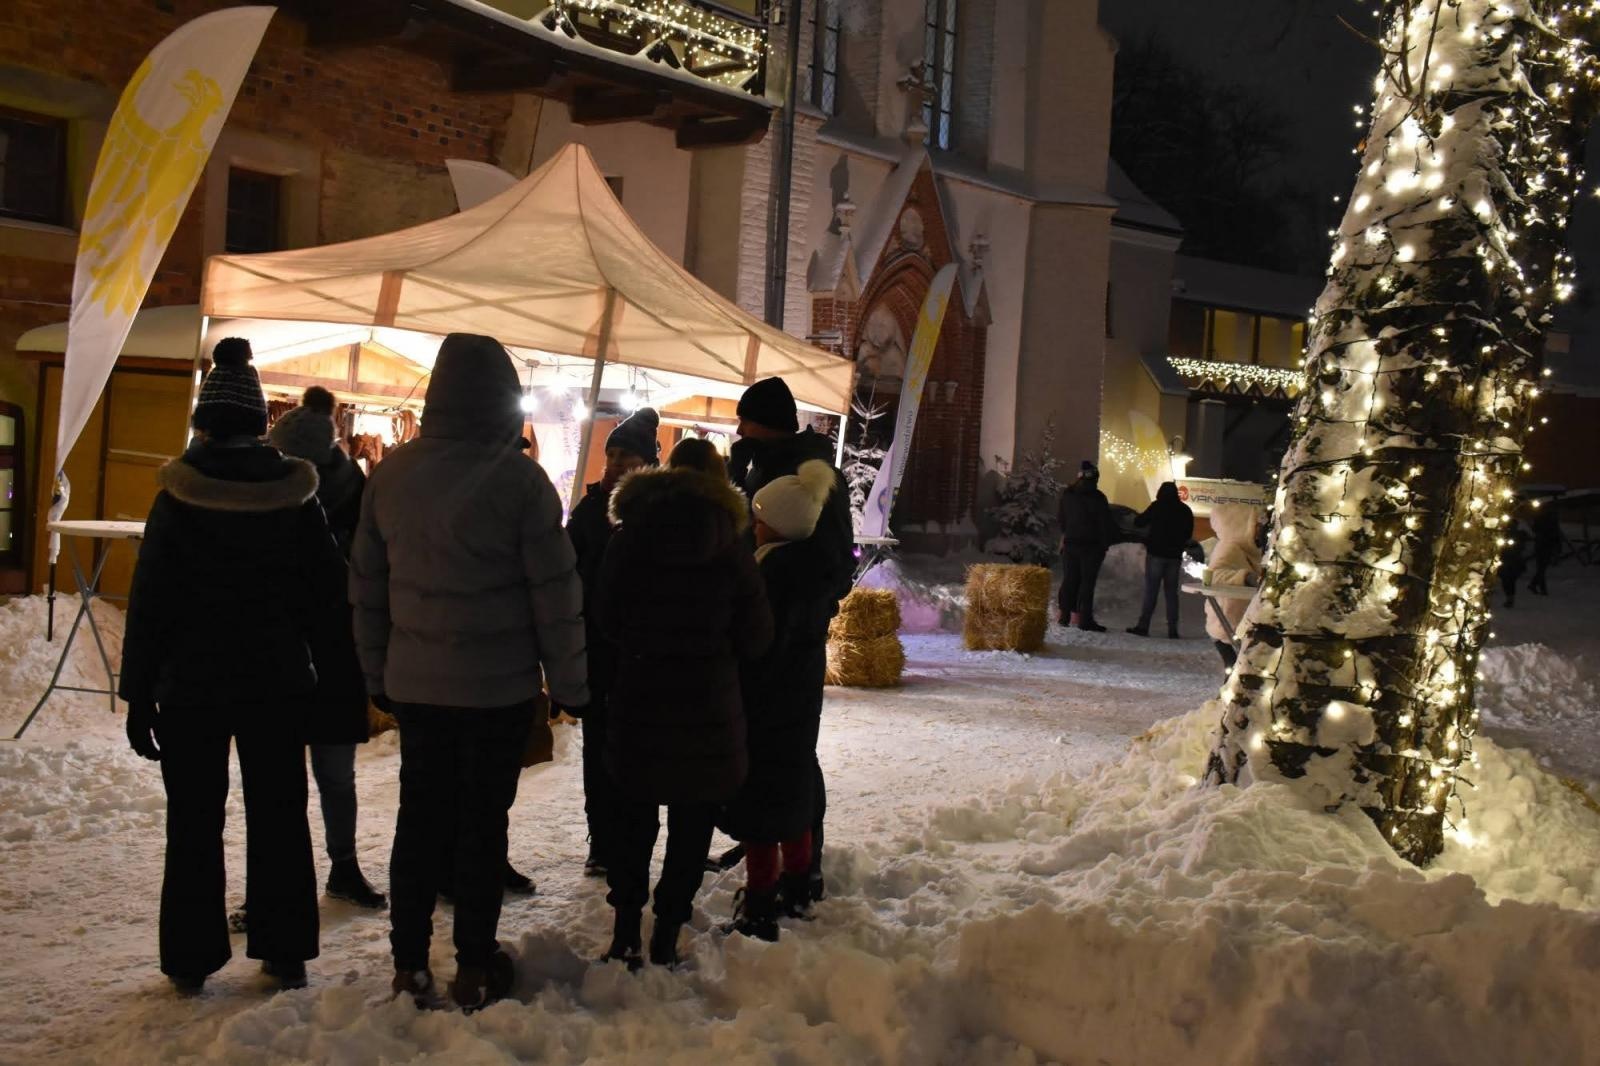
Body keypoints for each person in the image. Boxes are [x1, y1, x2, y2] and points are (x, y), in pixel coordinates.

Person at [350, 332, 588, 1012]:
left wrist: (377, 675)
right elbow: (557, 596)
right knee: (483, 826)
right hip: (499, 690)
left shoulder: (392, 476)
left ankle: (406, 965)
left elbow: (366, 588)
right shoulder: (520, 481)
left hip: (418, 687)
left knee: (418, 819)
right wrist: (570, 686)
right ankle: (475, 965)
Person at [120, 337, 355, 995]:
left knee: (193, 818)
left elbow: (151, 602)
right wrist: (336, 684)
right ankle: (284, 950)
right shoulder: (294, 496)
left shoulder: (178, 495)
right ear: (260, 423)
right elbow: (326, 598)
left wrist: (139, 697)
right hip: (277, 681)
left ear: (203, 422)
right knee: (280, 813)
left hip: (191, 686)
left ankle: (190, 956)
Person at [598, 437, 773, 969]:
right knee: (691, 824)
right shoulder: (731, 548)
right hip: (707, 706)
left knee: (632, 819)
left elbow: (604, 616)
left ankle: (626, 926)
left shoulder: (627, 539)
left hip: (641, 698)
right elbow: (757, 635)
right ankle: (667, 930)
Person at [727, 376, 852, 904]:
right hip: (771, 638)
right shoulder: (759, 461)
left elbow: (832, 565)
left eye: (747, 420)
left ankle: (804, 864)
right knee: (776, 759)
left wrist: (790, 604)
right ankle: (781, 857)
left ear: (768, 423)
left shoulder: (813, 477)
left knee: (792, 759)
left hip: (791, 642)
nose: (739, 429)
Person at [267, 387, 385, 911]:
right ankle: (342, 868)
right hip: (338, 651)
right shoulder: (357, 489)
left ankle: (281, 885)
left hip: (292, 652)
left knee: (284, 783)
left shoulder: (283, 494)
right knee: (334, 777)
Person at [721, 459, 839, 941]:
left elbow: (758, 644)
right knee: (792, 794)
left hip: (765, 703)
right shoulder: (811, 571)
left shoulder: (772, 576)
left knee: (760, 807)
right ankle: (798, 881)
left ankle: (761, 900)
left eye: (760, 514)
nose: (753, 522)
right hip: (797, 703)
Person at [564, 407, 661, 878]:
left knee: (639, 752)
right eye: (613, 454)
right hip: (597, 654)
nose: (617, 463)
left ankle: (632, 838)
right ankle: (601, 839)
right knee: (597, 748)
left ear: (648, 462)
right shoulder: (586, 512)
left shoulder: (661, 513)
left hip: (643, 657)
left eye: (628, 455)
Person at [1126, 482, 1195, 639]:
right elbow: (1188, 533)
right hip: (1174, 557)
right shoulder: (1184, 510)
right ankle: (1172, 629)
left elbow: (1140, 522)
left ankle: (1143, 626)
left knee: (1151, 591)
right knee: (1171, 593)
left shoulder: (1157, 506)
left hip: (1156, 554)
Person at [1057, 461, 1116, 631]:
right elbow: (1105, 523)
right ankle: (1085, 620)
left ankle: (1064, 616)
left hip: (1071, 544)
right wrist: (1105, 544)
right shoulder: (1098, 497)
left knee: (1069, 580)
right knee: (1087, 584)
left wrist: (1068, 533)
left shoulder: (1068, 495)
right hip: (1091, 547)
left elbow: (1061, 519)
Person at [1204, 503, 1264, 668]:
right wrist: (1245, 577)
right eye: (1256, 526)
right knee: (1237, 668)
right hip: (1225, 620)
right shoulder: (1228, 548)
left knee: (1236, 668)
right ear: (1242, 526)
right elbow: (1214, 575)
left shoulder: (1249, 551)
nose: (1261, 530)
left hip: (1235, 621)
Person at [1530, 500, 1561, 596]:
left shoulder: (1541, 519)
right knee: (1542, 568)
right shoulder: (1547, 520)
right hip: (1544, 545)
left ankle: (1536, 585)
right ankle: (1539, 587)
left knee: (1541, 568)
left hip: (1544, 545)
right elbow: (1555, 534)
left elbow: (1535, 529)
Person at [1500, 518, 1531, 608]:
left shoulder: (1519, 535)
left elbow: (1526, 539)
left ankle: (1510, 598)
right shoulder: (1504, 534)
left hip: (1513, 562)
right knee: (1507, 581)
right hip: (1506, 561)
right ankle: (1509, 597)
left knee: (1510, 581)